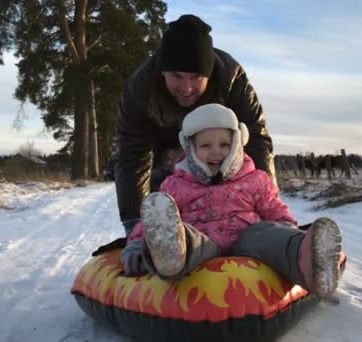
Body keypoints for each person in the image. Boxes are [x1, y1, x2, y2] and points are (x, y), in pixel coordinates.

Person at [120, 104, 344, 298]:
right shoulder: (176, 184)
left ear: (237, 144)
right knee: (185, 236)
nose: (216, 152)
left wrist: (286, 226)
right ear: (191, 149)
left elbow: (274, 207)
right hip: (203, 243)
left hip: (247, 240)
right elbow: (156, 218)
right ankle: (168, 255)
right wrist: (139, 242)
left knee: (267, 233)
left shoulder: (254, 179)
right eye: (206, 146)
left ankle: (306, 258)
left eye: (224, 144)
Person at [115, 14, 274, 237]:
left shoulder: (231, 79)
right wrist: (134, 222)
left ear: (209, 76)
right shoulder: (140, 88)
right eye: (176, 76)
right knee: (168, 197)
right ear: (163, 72)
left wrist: (267, 203)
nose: (186, 87)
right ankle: (172, 245)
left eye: (196, 77)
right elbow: (132, 155)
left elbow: (257, 138)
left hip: (217, 147)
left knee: (231, 195)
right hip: (164, 148)